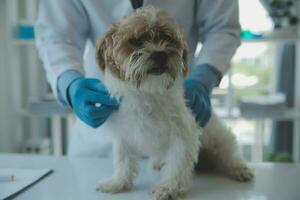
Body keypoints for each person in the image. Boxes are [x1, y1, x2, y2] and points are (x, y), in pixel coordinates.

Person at [35, 0, 241, 157]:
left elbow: (223, 28)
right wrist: (70, 83)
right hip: (102, 135)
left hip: (177, 108)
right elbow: (56, 35)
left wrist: (204, 78)